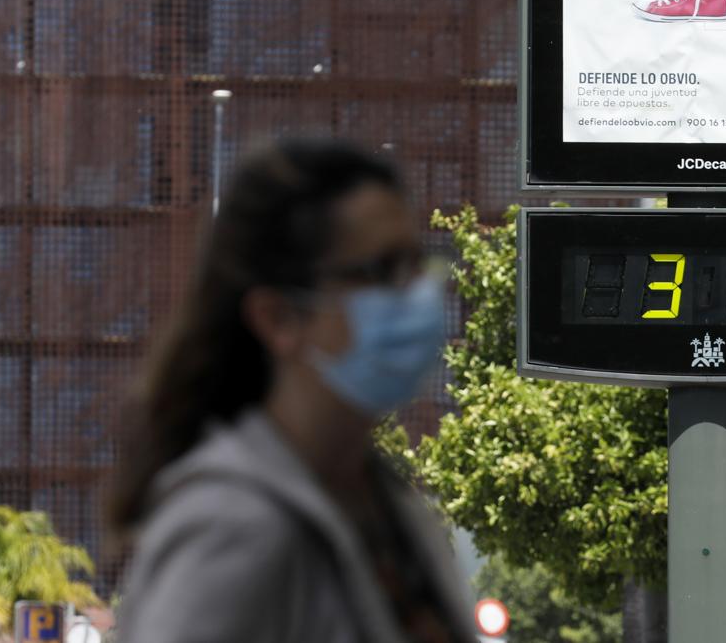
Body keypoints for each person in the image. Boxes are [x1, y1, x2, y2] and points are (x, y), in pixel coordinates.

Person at [109, 139, 475, 643]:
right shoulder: (233, 524)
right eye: (384, 271)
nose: (418, 296)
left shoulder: (386, 503)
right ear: (279, 318)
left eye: (418, 265)